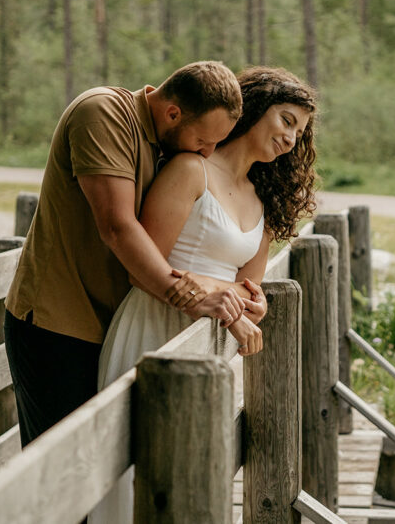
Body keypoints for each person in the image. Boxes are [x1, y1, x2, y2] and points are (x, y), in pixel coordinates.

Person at [90, 66, 318, 524]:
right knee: (137, 473)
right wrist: (222, 293)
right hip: (154, 326)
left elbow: (251, 289)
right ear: (253, 110)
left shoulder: (262, 199)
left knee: (192, 473)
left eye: (301, 132)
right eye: (286, 121)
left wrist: (253, 305)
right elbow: (145, 265)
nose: (292, 139)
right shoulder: (190, 169)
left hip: (212, 342)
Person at [3, 61, 268, 448]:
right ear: (173, 113)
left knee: (104, 467)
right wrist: (194, 298)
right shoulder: (103, 113)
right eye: (204, 141)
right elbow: (117, 226)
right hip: (57, 323)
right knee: (62, 476)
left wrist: (236, 297)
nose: (208, 152)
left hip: (111, 325)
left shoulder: (167, 143)